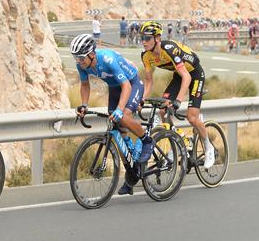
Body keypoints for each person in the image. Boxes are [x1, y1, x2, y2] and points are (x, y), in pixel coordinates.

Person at [70, 34, 154, 195]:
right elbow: (85, 85)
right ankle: (131, 174)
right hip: (115, 88)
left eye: (81, 57)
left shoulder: (107, 59)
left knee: (123, 116)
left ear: (92, 54)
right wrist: (84, 105)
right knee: (118, 135)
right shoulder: (82, 65)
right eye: (76, 58)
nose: (78, 61)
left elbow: (126, 86)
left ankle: (147, 140)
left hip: (132, 83)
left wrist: (120, 109)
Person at [138, 21, 215, 169]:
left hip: (195, 74)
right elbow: (149, 81)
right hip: (179, 75)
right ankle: (176, 144)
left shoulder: (169, 49)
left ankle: (208, 147)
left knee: (191, 117)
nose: (143, 41)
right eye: (142, 38)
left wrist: (178, 100)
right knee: (162, 109)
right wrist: (141, 100)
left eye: (147, 38)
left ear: (157, 39)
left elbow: (187, 77)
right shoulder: (146, 56)